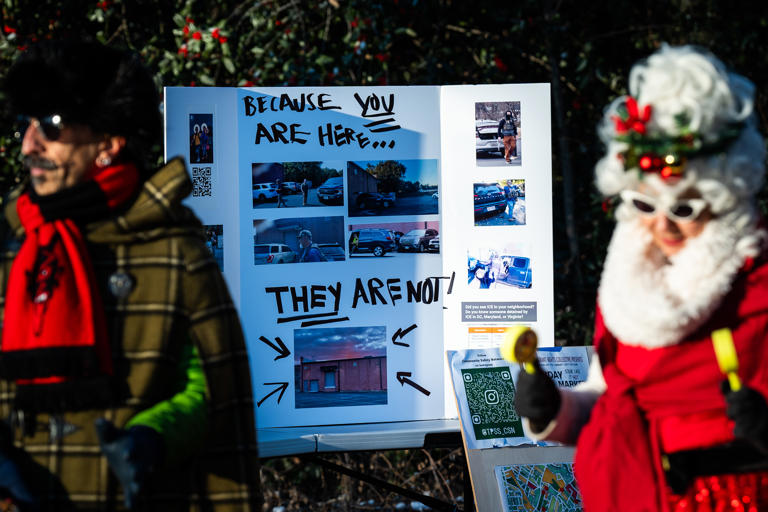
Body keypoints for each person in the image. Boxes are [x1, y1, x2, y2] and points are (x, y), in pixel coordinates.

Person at [0, 40, 260, 510]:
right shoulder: (12, 248)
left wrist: (150, 439)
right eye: (27, 124)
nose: (30, 145)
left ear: (108, 142)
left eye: (52, 126)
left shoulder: (174, 252)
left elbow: (209, 390)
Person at [514, 45, 768, 511]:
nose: (663, 226)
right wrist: (553, 410)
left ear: (725, 196)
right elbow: (610, 397)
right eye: (646, 205)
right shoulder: (632, 274)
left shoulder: (759, 282)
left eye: (685, 209)